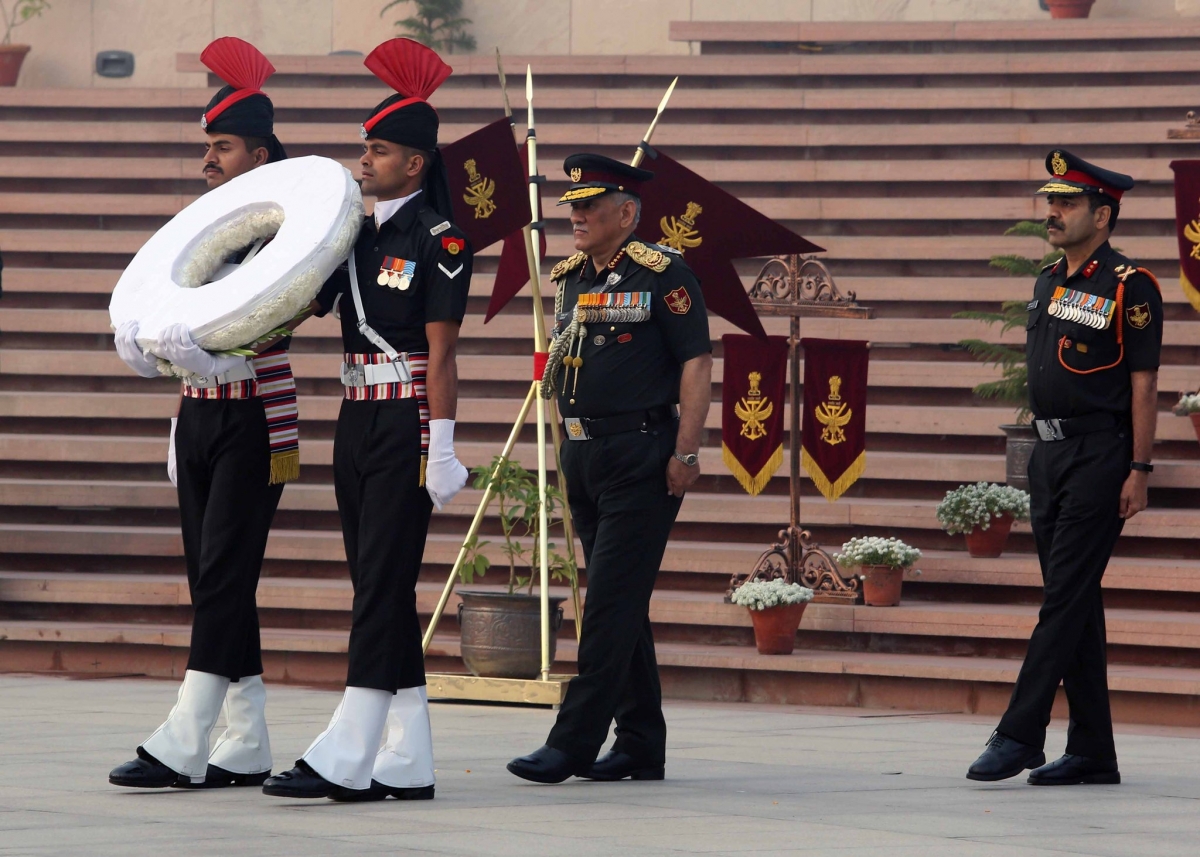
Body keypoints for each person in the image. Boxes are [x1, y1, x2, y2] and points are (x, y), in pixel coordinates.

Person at [262, 38, 471, 803]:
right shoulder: (352, 235)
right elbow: (296, 307)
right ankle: (406, 758)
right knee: (377, 581)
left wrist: (442, 446)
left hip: (407, 421)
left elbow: (443, 354)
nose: (364, 161)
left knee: (380, 582)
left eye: (378, 151)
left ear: (414, 162)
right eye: (365, 147)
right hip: (355, 417)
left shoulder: (440, 241)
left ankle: (346, 751)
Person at [109, 37, 292, 790]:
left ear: (258, 155)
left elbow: (277, 313)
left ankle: (184, 738)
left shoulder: (283, 233)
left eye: (222, 147)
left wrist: (211, 355)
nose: (207, 159)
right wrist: (152, 350)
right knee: (214, 577)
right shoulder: (200, 229)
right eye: (207, 146)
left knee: (222, 574)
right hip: (199, 414)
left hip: (254, 416)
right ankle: (245, 737)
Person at [506, 154, 713, 784]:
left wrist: (686, 452)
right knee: (622, 602)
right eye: (572, 206)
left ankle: (572, 741)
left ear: (625, 214)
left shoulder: (664, 273)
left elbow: (697, 362)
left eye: (590, 206)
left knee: (608, 604)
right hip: (583, 453)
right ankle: (641, 741)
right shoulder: (571, 278)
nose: (576, 216)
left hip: (639, 452)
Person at [967, 149, 1162, 786]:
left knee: (1063, 598)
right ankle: (1093, 751)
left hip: (1101, 454)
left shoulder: (1130, 285)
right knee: (1076, 601)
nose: (1052, 212)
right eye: (1051, 201)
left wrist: (1139, 466)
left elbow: (1144, 382)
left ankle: (1020, 733)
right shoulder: (1048, 280)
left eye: (1067, 203)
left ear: (1102, 216)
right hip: (1047, 454)